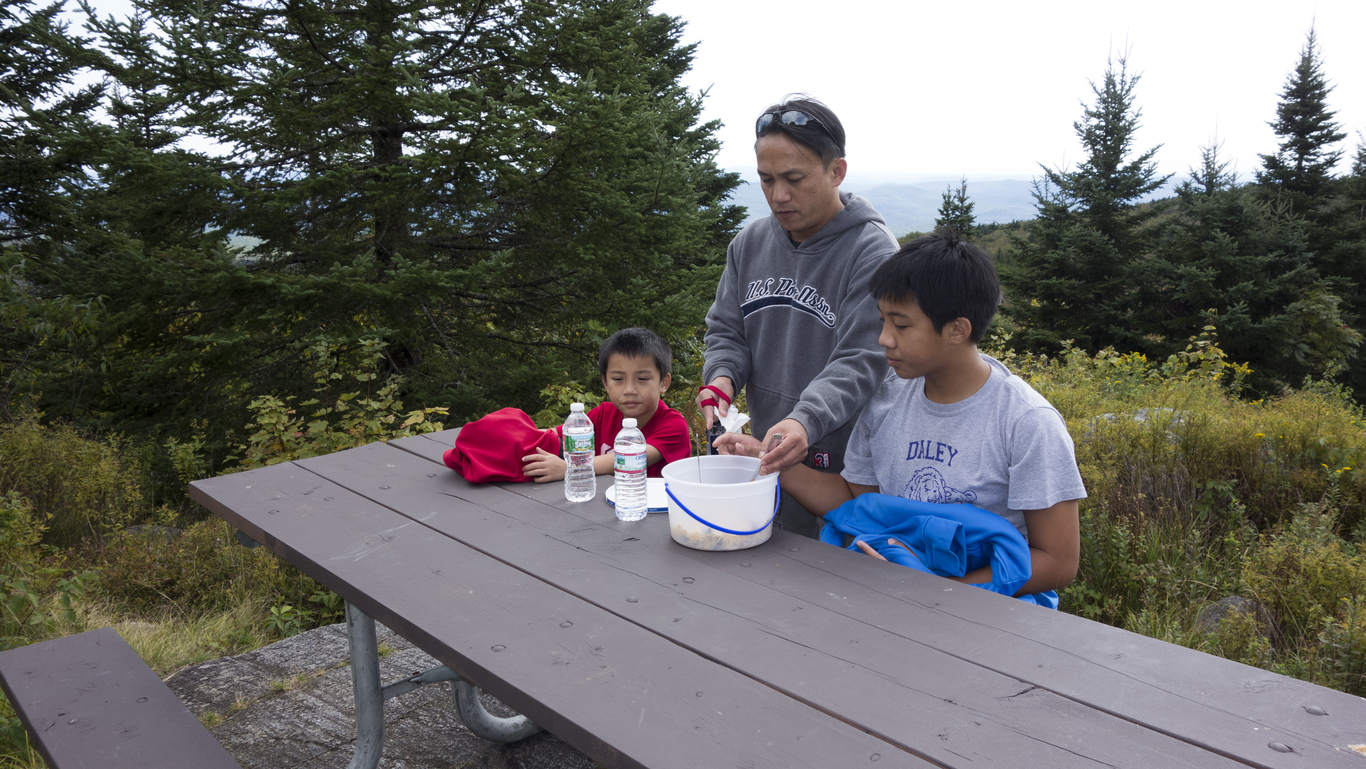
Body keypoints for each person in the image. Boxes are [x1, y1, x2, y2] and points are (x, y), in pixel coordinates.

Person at [746, 228, 1087, 596]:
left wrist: (936, 590)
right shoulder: (885, 400)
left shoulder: (1027, 422)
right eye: (883, 320)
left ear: (957, 330)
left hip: (988, 612)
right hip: (893, 594)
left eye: (902, 325)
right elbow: (857, 504)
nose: (884, 338)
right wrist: (768, 461)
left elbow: (1058, 562)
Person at [700, 95, 898, 538]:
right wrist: (722, 378)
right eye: (766, 179)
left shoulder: (872, 252)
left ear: (836, 171)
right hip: (766, 455)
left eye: (794, 178)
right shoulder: (749, 244)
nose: (779, 195)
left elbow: (862, 359)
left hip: (843, 469)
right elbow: (727, 330)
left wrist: (804, 418)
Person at [523, 327, 692, 482]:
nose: (629, 390)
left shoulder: (674, 425)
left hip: (653, 504)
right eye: (618, 379)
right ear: (606, 383)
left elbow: (633, 457)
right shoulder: (602, 415)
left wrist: (571, 468)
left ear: (664, 383)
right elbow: (551, 436)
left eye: (642, 378)